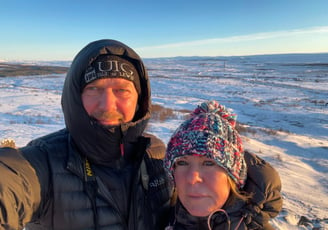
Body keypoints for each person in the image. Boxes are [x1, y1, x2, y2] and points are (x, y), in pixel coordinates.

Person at [0, 39, 172, 229]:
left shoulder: (156, 154)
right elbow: (9, 181)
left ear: (139, 100)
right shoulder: (45, 160)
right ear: (75, 97)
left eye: (122, 90)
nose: (107, 105)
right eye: (93, 89)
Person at [164, 100, 282, 230]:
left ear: (234, 176)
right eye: (182, 162)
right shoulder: (161, 220)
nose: (192, 178)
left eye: (208, 163)